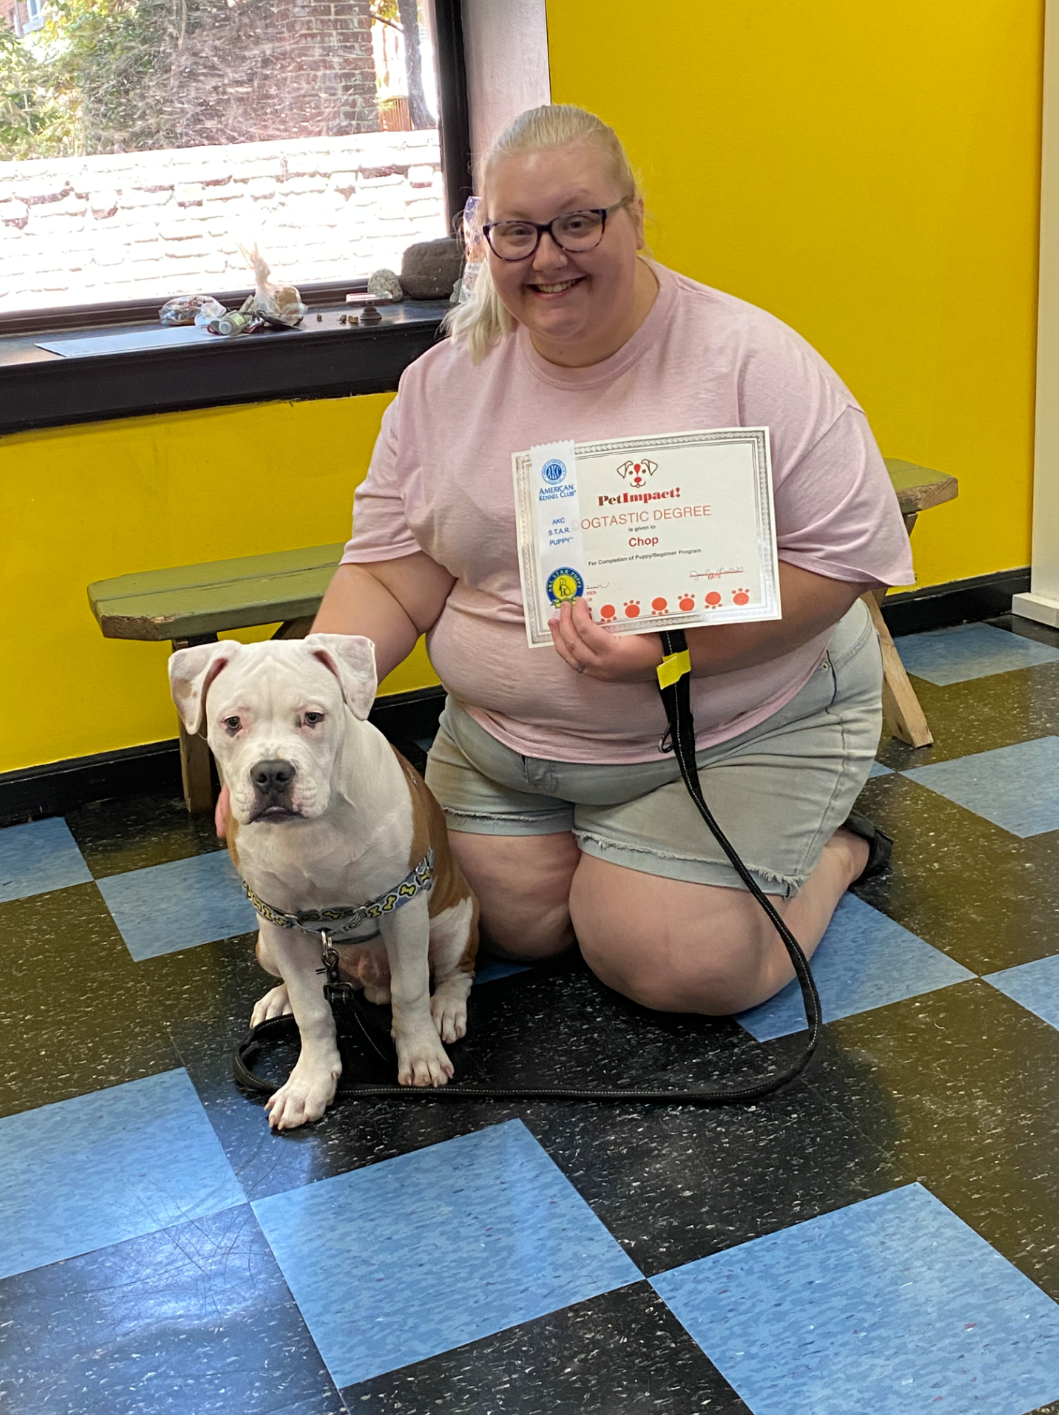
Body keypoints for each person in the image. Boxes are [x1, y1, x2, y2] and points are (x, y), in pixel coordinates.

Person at [308, 104, 913, 1016]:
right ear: (483, 238)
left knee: (671, 961)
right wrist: (301, 716)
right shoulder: (442, 383)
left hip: (735, 726)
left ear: (633, 217)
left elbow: (845, 562)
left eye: (578, 221)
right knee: (496, 927)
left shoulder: (751, 360)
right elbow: (395, 571)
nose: (546, 257)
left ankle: (837, 849)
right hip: (507, 744)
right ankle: (612, 850)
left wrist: (677, 650)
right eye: (515, 231)